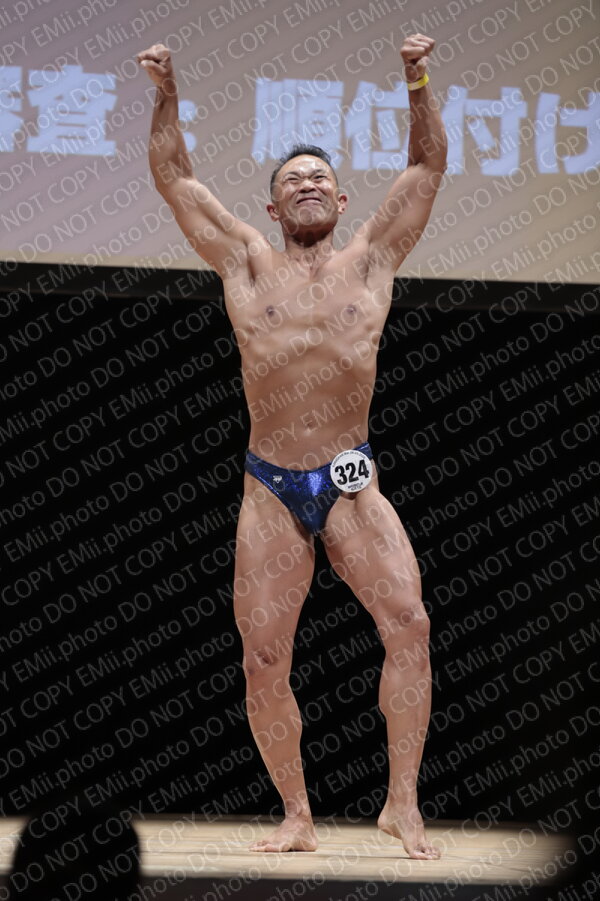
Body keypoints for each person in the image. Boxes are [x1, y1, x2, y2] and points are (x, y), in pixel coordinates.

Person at [138, 33, 447, 859]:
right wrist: (167, 95)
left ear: (341, 201)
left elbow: (425, 167)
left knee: (410, 623)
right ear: (273, 210)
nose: (306, 184)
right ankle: (298, 814)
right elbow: (175, 178)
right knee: (264, 656)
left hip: (351, 477)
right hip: (270, 484)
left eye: (318, 178)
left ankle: (402, 804)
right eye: (290, 181)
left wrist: (416, 78)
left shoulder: (372, 259)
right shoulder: (245, 262)